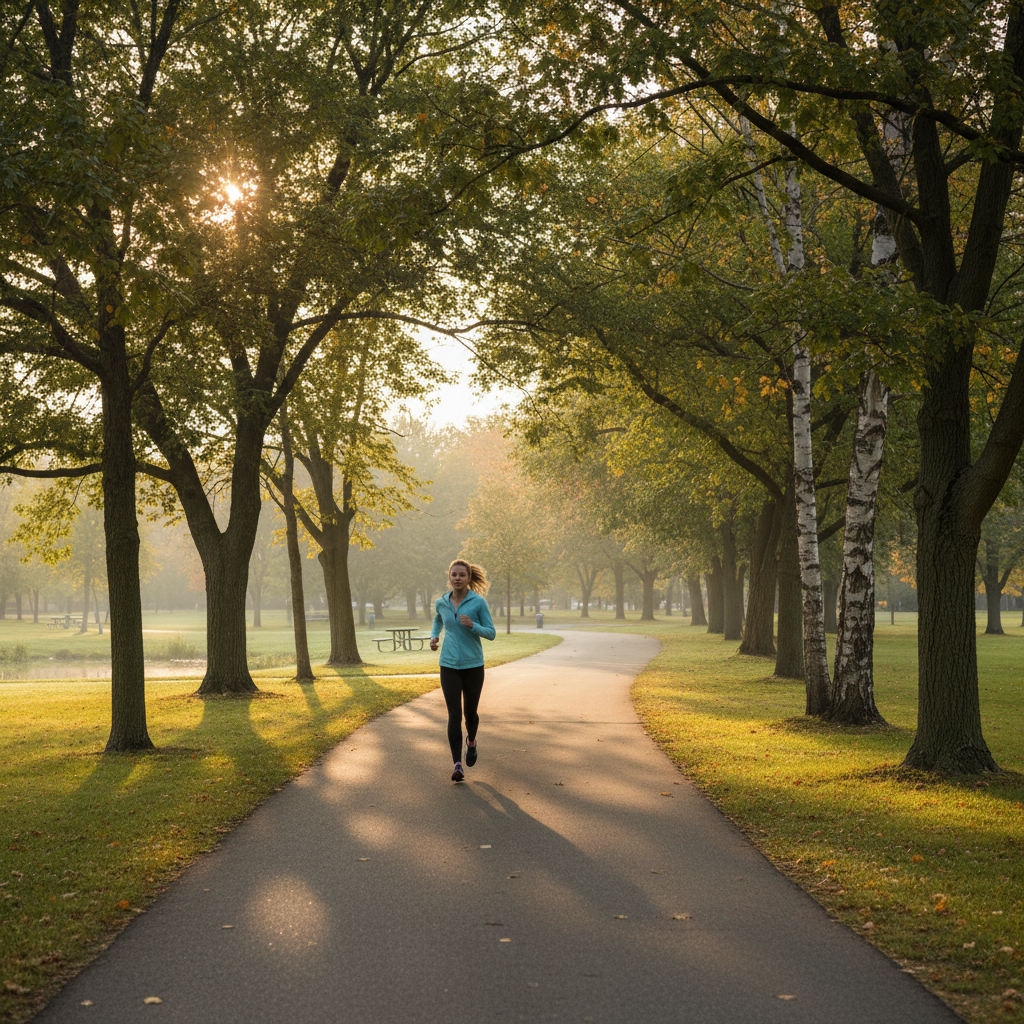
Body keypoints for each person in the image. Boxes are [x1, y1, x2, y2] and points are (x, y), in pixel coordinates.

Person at [430, 559, 496, 782]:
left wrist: (473, 626)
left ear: (469, 578)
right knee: (454, 715)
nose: (457, 578)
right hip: (448, 665)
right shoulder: (442, 602)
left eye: (462, 575)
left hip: (473, 666)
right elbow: (438, 619)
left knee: (470, 715)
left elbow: (491, 633)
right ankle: (457, 764)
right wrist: (434, 636)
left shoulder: (478, 603)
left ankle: (472, 741)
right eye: (454, 574)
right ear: (449, 577)